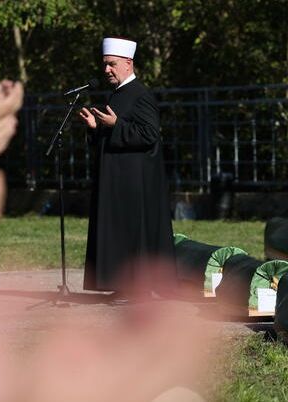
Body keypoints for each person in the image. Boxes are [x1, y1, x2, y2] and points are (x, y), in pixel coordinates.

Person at [79, 37, 175, 295]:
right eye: (105, 65)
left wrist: (115, 125)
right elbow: (115, 133)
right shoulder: (118, 94)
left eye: (111, 64)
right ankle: (122, 283)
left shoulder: (140, 94)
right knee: (118, 234)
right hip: (117, 179)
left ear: (127, 63)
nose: (106, 70)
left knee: (134, 234)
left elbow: (149, 134)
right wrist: (95, 129)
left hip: (134, 181)